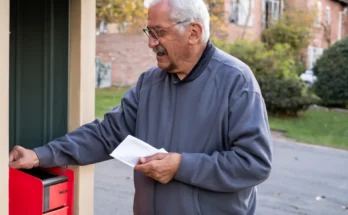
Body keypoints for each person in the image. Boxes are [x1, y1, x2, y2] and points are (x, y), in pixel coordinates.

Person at [9, 0, 273, 214]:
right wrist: (40, 155)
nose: (151, 42)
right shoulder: (150, 82)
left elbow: (254, 163)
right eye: (149, 32)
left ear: (194, 33)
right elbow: (107, 134)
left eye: (160, 33)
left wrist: (181, 166)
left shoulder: (236, 80)